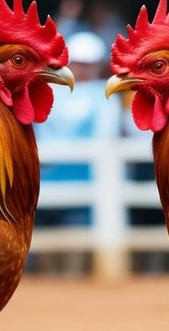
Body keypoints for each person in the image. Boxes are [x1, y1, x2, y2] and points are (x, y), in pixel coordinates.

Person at [32, 31, 122, 274]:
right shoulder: (49, 89)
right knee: (46, 252)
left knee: (77, 254)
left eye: (88, 63)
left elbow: (105, 138)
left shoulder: (104, 95)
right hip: (47, 184)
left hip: (85, 185)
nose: (83, 68)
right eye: (79, 62)